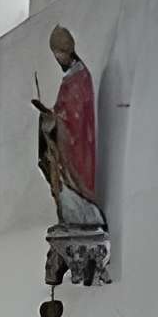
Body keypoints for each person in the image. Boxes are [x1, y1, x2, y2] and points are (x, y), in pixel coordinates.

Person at [33, 25, 104, 232]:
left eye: (58, 56)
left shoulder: (80, 78)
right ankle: (70, 216)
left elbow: (77, 118)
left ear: (67, 52)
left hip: (77, 146)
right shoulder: (70, 79)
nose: (58, 61)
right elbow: (63, 111)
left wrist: (55, 119)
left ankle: (82, 215)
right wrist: (48, 116)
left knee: (73, 190)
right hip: (66, 144)